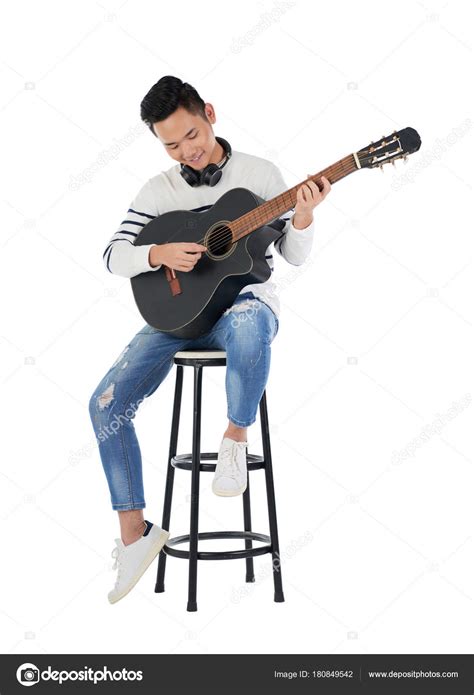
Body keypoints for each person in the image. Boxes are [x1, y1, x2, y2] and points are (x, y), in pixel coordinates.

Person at [89, 76, 331, 604]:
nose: (187, 150)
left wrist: (305, 214)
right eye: (172, 144)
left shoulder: (259, 176)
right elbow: (112, 254)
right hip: (177, 319)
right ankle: (136, 536)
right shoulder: (158, 191)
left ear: (211, 115)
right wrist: (158, 255)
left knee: (247, 321)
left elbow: (292, 255)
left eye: (192, 134)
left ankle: (234, 440)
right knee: (105, 404)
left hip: (241, 310)